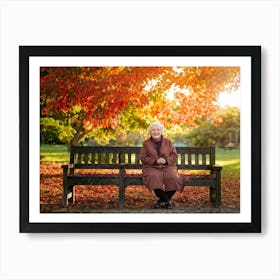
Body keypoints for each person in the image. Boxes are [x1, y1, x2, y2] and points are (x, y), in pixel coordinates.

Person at [140, 122, 184, 209]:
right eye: (153, 130)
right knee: (154, 177)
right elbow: (143, 158)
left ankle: (160, 201)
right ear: (150, 132)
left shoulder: (168, 142)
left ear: (161, 131)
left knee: (174, 178)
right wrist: (155, 161)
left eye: (158, 130)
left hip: (168, 166)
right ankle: (167, 201)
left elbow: (174, 155)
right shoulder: (146, 143)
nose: (156, 132)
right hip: (151, 167)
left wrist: (166, 160)